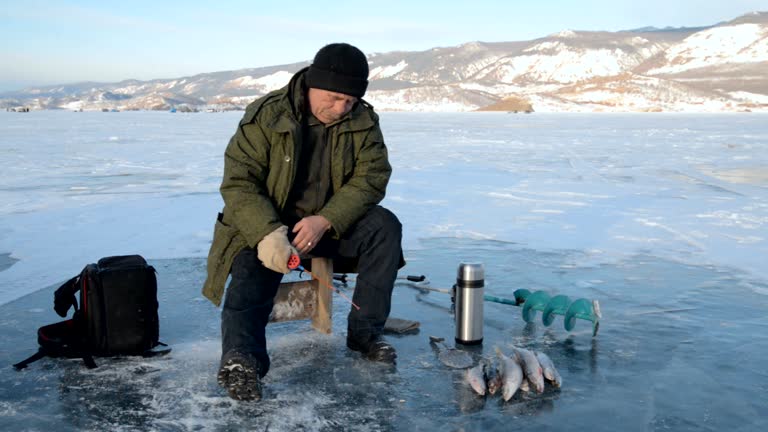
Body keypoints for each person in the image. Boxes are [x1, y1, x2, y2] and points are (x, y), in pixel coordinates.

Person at [201, 43, 404, 401]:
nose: (342, 108)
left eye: (350, 101)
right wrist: (268, 233)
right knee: (249, 264)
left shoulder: (363, 120)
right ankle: (241, 361)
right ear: (313, 83)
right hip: (270, 226)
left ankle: (365, 335)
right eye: (334, 97)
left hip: (330, 225)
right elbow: (239, 182)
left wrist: (325, 219)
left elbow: (372, 177)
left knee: (385, 227)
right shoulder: (266, 115)